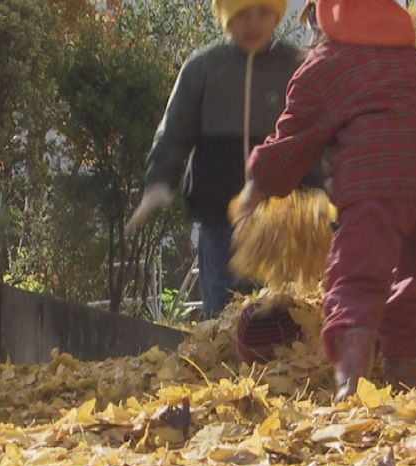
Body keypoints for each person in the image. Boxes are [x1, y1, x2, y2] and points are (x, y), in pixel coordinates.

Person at [237, 0, 416, 400]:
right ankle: (404, 392)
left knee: (356, 281)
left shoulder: (325, 62)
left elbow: (293, 140)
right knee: (414, 288)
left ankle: (352, 389)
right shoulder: (410, 58)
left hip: (377, 186)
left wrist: (255, 189)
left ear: (323, 17)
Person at [125, 0, 304, 318]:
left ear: (277, 15)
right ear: (225, 16)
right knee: (223, 308)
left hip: (279, 219)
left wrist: (324, 189)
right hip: (220, 214)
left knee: (282, 310)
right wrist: (158, 181)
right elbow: (174, 131)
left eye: (263, 13)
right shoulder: (203, 68)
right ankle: (223, 367)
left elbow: (310, 135)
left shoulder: (294, 66)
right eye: (242, 15)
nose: (253, 25)